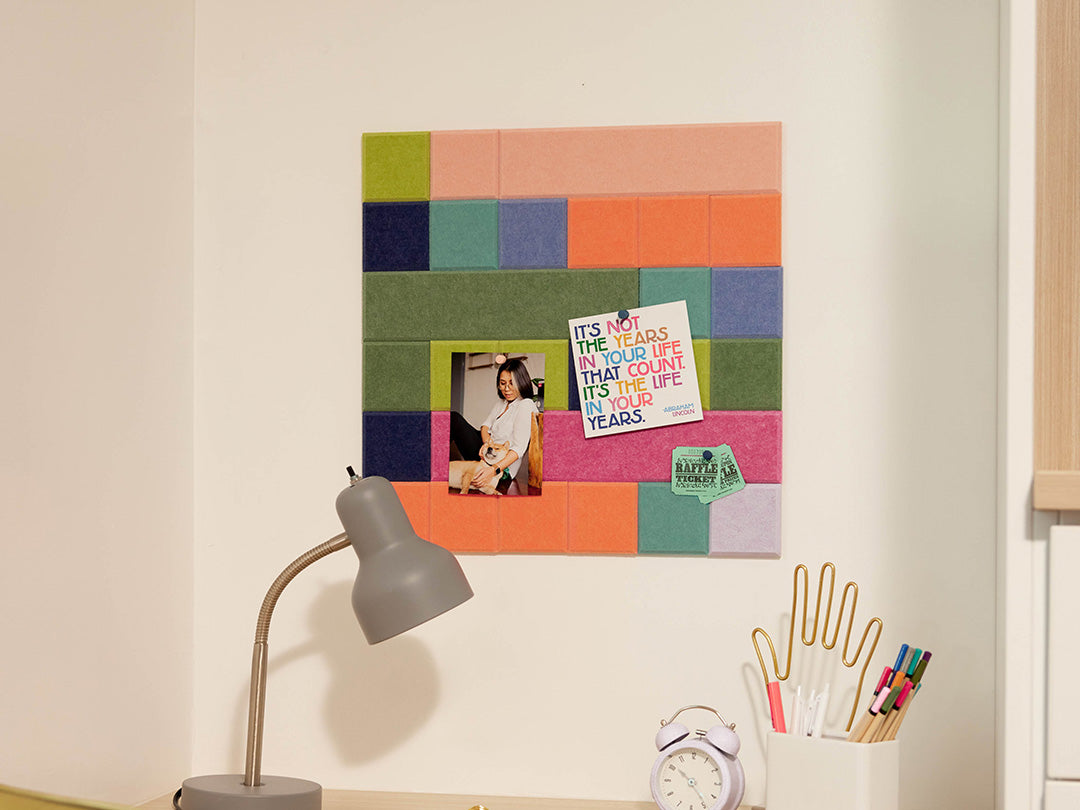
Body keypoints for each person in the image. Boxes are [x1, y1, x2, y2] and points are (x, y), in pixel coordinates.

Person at [449, 357, 538, 494]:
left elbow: (518, 449)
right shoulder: (501, 404)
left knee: (453, 419)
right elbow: (485, 427)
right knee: (453, 418)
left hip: (500, 463)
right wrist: (486, 445)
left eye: (512, 383)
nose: (506, 389)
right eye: (502, 383)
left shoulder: (525, 405)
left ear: (521, 382)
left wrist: (493, 470)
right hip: (487, 450)